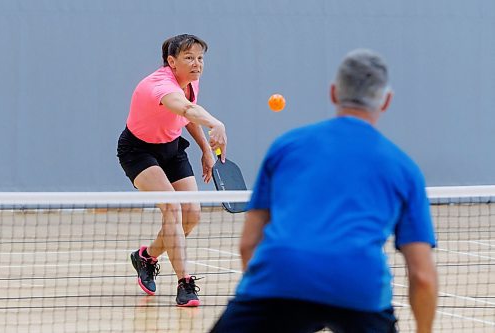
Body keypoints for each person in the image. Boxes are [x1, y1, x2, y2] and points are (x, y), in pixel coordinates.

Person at [210, 49, 438, 332]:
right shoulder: (404, 168)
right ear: (387, 101)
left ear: (333, 93)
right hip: (360, 288)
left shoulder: (286, 147)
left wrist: (270, 299)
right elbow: (423, 276)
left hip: (280, 280)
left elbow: (248, 244)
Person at [117, 34, 227, 307]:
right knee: (172, 208)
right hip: (138, 151)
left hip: (172, 148)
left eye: (200, 58)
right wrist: (216, 123)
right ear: (171, 61)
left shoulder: (190, 81)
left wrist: (204, 149)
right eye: (189, 58)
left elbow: (187, 118)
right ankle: (185, 282)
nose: (197, 64)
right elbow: (187, 108)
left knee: (192, 214)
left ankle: (147, 256)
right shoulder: (159, 85)